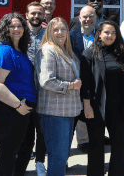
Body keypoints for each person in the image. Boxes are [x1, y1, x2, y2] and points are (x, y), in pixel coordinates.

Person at [80, 21, 124, 176]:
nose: (110, 36)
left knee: (119, 145)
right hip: (96, 106)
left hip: (119, 106)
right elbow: (85, 83)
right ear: (99, 33)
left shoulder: (120, 52)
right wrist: (87, 105)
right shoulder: (89, 54)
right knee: (96, 145)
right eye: (106, 32)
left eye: (113, 33)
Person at [0, 13, 36, 176]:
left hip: (21, 109)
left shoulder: (19, 51)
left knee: (25, 150)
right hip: (7, 108)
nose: (16, 29)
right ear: (4, 29)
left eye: (19, 26)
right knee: (7, 155)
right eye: (12, 26)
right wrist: (18, 105)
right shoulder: (4, 50)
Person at [35, 17, 82, 176]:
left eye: (63, 29)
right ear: (49, 31)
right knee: (58, 157)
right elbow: (46, 81)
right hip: (54, 113)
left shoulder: (65, 50)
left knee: (61, 157)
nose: (60, 32)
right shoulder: (48, 50)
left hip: (67, 111)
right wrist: (69, 85)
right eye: (56, 29)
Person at [69, 6, 97, 152]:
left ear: (96, 18)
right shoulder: (70, 36)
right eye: (84, 17)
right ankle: (65, 154)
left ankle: (87, 141)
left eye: (91, 16)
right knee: (74, 117)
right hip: (76, 82)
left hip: (96, 83)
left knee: (92, 114)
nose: (87, 20)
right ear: (79, 18)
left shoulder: (101, 35)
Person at [25, 2, 48, 176]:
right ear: (27, 15)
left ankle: (40, 161)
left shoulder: (49, 35)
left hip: (43, 91)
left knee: (42, 130)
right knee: (24, 131)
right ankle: (23, 161)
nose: (36, 16)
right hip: (23, 91)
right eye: (33, 13)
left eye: (39, 14)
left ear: (44, 16)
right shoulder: (19, 34)